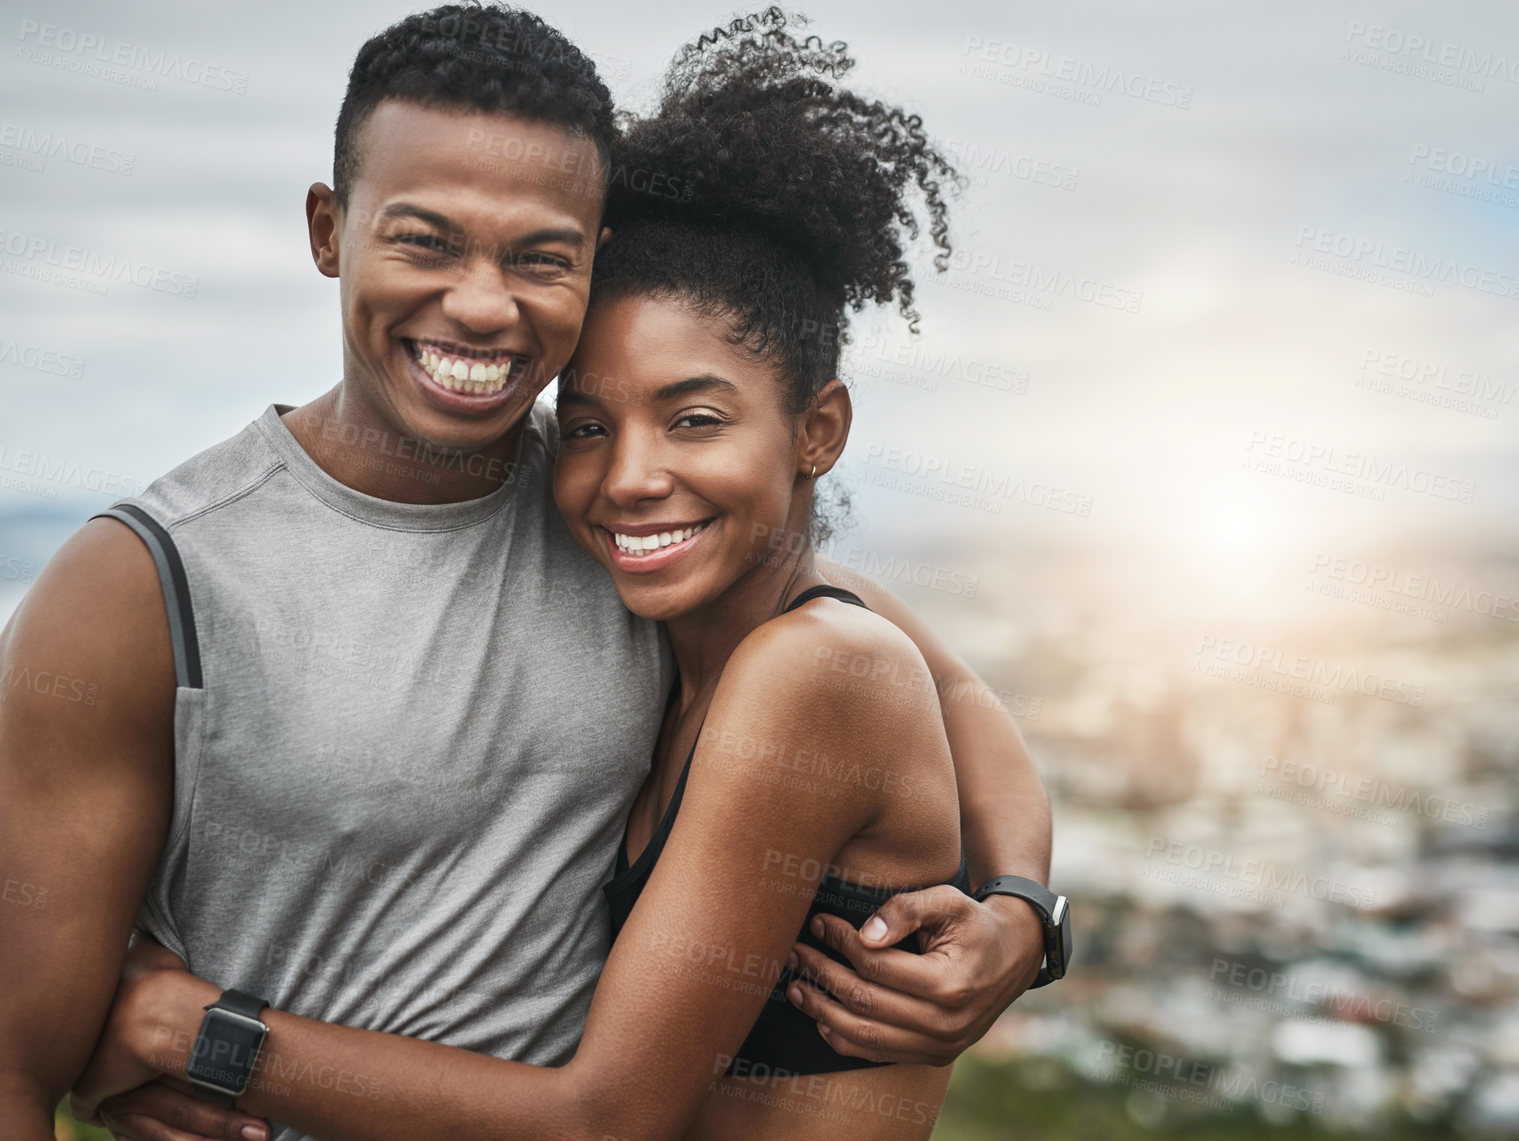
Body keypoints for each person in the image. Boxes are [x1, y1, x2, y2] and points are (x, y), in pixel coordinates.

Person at [0, 7, 1054, 1141]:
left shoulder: (621, 517)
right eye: (425, 240)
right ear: (327, 228)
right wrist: (114, 1036)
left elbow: (928, 684)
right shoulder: (145, 579)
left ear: (590, 263)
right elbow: (18, 1060)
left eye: (539, 257)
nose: (482, 304)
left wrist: (1022, 912)